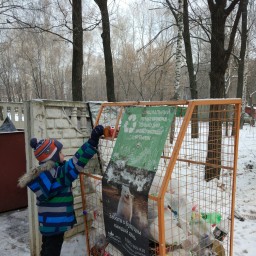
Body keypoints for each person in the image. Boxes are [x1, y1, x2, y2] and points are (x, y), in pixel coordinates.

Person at [18, 125, 104, 256]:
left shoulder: (44, 175)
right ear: (52, 157)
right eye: (60, 152)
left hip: (47, 225)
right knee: (52, 252)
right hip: (56, 226)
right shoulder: (59, 175)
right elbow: (75, 163)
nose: (63, 154)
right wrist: (92, 142)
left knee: (46, 249)